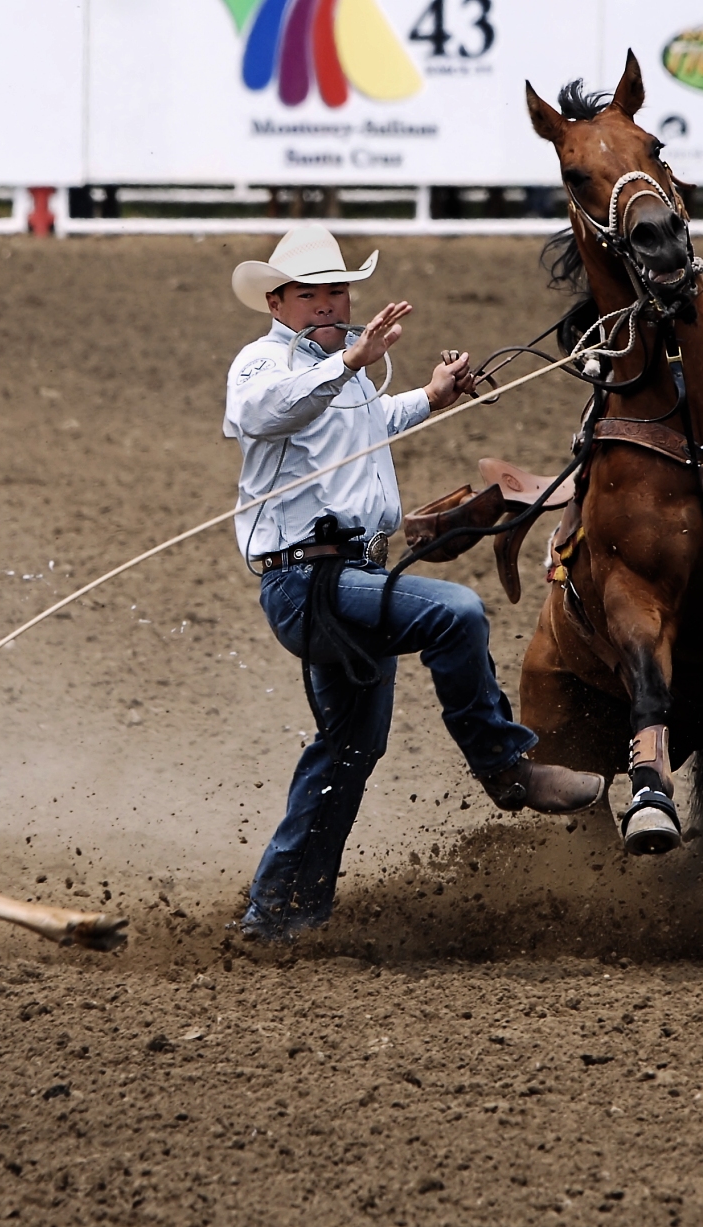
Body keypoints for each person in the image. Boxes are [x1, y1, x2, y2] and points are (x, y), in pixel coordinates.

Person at [225, 224, 604, 942]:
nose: (332, 304)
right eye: (314, 294)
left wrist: (430, 395)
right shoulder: (262, 362)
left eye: (339, 290)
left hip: (350, 574)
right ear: (277, 302)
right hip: (305, 582)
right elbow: (265, 413)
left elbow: (363, 423)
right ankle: (506, 765)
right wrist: (353, 362)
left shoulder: (346, 372)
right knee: (455, 613)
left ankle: (276, 913)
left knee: (348, 750)